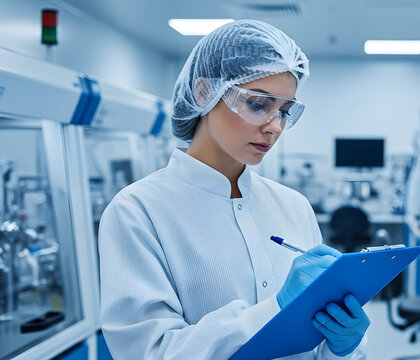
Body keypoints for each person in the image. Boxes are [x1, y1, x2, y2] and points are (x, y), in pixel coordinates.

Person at [99, 20, 369, 359]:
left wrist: (341, 348)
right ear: (204, 93)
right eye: (258, 104)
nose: (274, 127)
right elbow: (148, 352)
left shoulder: (293, 206)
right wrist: (275, 309)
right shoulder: (138, 212)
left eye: (284, 111)